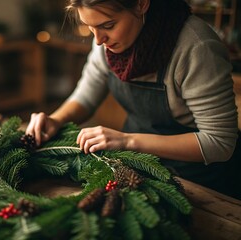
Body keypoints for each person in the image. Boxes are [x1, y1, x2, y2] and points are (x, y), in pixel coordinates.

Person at [26, 0, 240, 198]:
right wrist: (56, 119)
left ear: (141, 4)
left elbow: (219, 143)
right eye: (90, 27)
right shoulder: (107, 43)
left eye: (108, 25)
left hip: (203, 181)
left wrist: (128, 141)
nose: (98, 40)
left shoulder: (196, 47)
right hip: (139, 167)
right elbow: (86, 96)